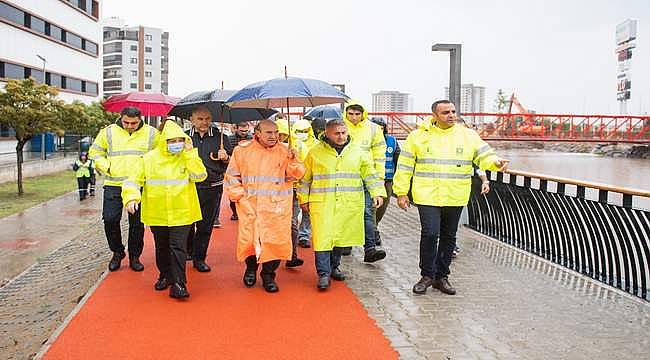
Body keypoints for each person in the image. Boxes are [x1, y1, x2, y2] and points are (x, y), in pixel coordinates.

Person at [393, 100, 509, 296]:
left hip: (455, 195)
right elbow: (404, 166)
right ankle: (427, 275)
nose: (451, 115)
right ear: (434, 115)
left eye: (453, 111)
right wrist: (401, 192)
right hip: (427, 195)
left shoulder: (468, 135)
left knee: (449, 237)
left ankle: (441, 277)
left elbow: (484, 155)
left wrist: (496, 163)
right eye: (445, 112)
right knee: (430, 234)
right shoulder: (418, 137)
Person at [123, 120, 207, 299]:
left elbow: (200, 176)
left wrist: (191, 153)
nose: (176, 144)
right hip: (157, 211)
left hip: (182, 211)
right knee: (161, 246)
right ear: (164, 141)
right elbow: (132, 180)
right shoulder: (148, 159)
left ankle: (178, 283)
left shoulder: (187, 157)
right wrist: (131, 197)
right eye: (171, 140)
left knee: (178, 247)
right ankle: (165, 275)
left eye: (179, 140)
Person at [298, 119, 386, 290]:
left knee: (340, 237)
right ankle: (323, 273)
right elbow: (305, 179)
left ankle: (334, 267)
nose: (341, 136)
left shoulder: (358, 152)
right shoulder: (315, 153)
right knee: (322, 239)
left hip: (348, 203)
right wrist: (304, 199)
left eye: (343, 133)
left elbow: (370, 174)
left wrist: (377, 193)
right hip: (322, 204)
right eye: (336, 133)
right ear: (327, 133)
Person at [224, 119, 305, 293]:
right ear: (258, 133)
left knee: (275, 242)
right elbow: (232, 177)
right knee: (250, 241)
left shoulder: (286, 150)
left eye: (276, 132)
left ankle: (269, 275)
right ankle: (251, 269)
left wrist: (293, 160)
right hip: (250, 206)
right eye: (269, 133)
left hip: (277, 207)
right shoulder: (242, 151)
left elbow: (296, 175)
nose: (273, 136)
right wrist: (239, 198)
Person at [89, 106, 159, 272]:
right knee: (110, 219)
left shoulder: (152, 133)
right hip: (114, 184)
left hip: (139, 186)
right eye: (126, 122)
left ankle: (135, 256)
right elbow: (95, 152)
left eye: (133, 123)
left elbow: (159, 155)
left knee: (137, 224)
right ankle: (118, 252)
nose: (129, 126)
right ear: (121, 118)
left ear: (140, 119)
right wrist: (107, 167)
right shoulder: (108, 132)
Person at [185, 106, 233, 273]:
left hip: (212, 187)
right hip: (188, 188)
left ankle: (200, 258)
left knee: (205, 226)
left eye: (207, 119)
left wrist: (226, 157)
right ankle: (188, 251)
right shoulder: (183, 138)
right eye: (200, 119)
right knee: (188, 224)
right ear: (191, 119)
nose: (204, 122)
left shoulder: (221, 137)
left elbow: (233, 163)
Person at [342, 101, 387, 262]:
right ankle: (345, 244)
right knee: (347, 211)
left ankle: (370, 249)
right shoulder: (340, 127)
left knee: (368, 212)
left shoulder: (373, 129)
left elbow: (380, 154)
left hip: (367, 175)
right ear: (346, 113)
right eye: (351, 113)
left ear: (363, 114)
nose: (354, 117)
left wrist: (379, 177)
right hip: (346, 176)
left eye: (357, 114)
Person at [275, 117, 305, 268]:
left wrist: (294, 160)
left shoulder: (295, 147)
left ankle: (292, 255)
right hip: (273, 194)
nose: (281, 138)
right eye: (278, 134)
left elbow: (301, 171)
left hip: (292, 192)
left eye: (284, 135)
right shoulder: (270, 151)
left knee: (292, 223)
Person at [369, 117, 401, 246]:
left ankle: (374, 227)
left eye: (381, 128)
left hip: (387, 179)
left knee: (383, 206)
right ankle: (374, 232)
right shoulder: (367, 141)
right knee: (371, 207)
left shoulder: (392, 141)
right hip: (371, 179)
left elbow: (398, 158)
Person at [294, 119, 319, 249]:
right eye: (298, 131)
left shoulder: (316, 145)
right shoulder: (290, 144)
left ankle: (304, 235)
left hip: (310, 182)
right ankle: (292, 234)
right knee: (293, 213)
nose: (301, 134)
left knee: (307, 210)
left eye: (304, 131)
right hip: (293, 182)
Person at [227, 121, 253, 221]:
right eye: (242, 131)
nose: (244, 133)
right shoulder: (230, 139)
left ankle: (246, 211)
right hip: (233, 169)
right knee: (233, 193)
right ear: (236, 128)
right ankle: (235, 212)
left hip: (248, 170)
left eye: (246, 130)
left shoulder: (252, 139)